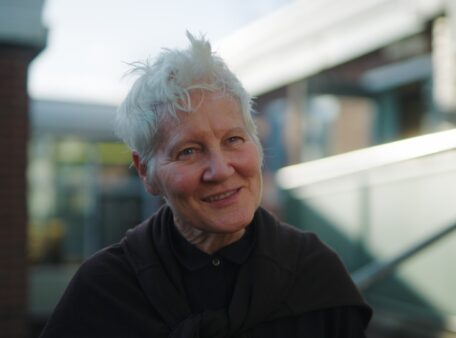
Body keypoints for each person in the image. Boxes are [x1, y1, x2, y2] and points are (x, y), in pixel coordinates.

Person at [39, 32, 372, 338]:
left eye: (233, 139)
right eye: (188, 151)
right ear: (146, 172)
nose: (221, 170)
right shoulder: (105, 290)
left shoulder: (314, 272)